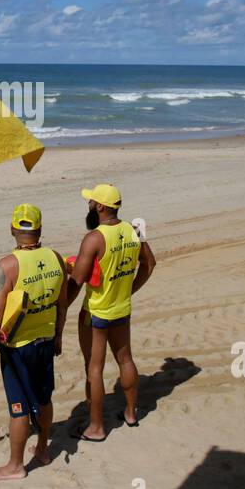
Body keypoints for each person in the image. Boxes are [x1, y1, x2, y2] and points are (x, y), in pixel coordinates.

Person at [0, 203, 69, 481]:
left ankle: (16, 466)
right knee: (43, 397)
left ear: (13, 229)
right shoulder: (56, 258)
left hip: (18, 348)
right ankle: (42, 449)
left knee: (18, 408)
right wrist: (59, 336)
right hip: (46, 339)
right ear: (39, 229)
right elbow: (61, 305)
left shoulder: (7, 266)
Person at [68, 183, 156, 442]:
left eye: (91, 201)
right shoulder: (133, 230)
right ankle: (130, 413)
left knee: (93, 368)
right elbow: (149, 263)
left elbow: (78, 280)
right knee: (125, 359)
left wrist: (61, 308)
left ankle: (96, 427)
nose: (89, 205)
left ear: (100, 206)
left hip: (96, 313)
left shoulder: (95, 238)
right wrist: (128, 290)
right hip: (121, 308)